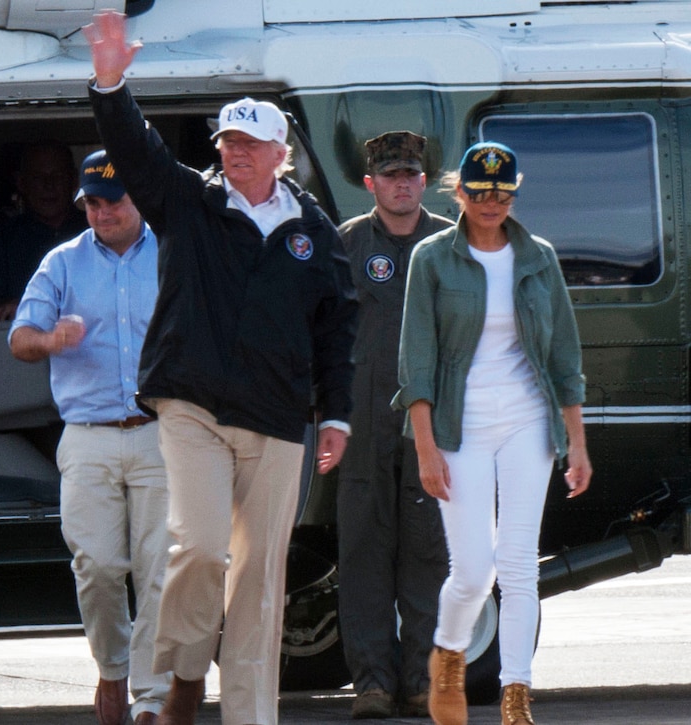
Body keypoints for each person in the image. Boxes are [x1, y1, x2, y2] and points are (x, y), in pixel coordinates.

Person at [83, 11, 358, 725]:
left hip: (276, 418)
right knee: (200, 548)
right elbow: (134, 151)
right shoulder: (188, 201)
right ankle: (182, 672)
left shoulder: (315, 233)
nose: (234, 152)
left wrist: (335, 413)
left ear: (279, 153)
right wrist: (111, 83)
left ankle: (249, 718)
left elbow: (337, 327)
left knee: (261, 587)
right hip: (193, 405)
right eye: (226, 141)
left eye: (249, 142)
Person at [393, 142, 592, 725]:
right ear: (460, 193)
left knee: (519, 563)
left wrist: (575, 442)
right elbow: (417, 365)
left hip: (529, 420)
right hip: (459, 424)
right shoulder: (432, 258)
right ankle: (449, 654)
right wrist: (426, 448)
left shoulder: (539, 258)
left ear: (514, 192)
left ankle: (516, 697)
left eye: (501, 192)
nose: (490, 203)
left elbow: (564, 357)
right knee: (473, 570)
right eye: (479, 192)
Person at [9, 149, 171, 725]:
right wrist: (51, 341)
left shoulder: (174, 251)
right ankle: (112, 668)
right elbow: (19, 338)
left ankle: (152, 700)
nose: (101, 213)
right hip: (88, 434)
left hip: (162, 431)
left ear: (140, 198)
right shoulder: (62, 262)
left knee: (159, 569)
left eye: (112, 201)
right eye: (92, 203)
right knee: (97, 565)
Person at [335, 131, 454, 720]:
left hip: (433, 428)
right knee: (362, 554)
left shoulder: (451, 244)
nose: (401, 184)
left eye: (410, 174)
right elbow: (324, 330)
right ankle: (373, 685)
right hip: (363, 425)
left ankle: (421, 680)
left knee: (428, 556)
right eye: (389, 176)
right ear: (370, 184)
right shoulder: (349, 245)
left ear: (424, 180)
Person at [0, 141, 87, 322]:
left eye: (57, 176)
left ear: (74, 181)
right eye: (37, 177)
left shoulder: (99, 233)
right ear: (21, 183)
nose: (48, 185)